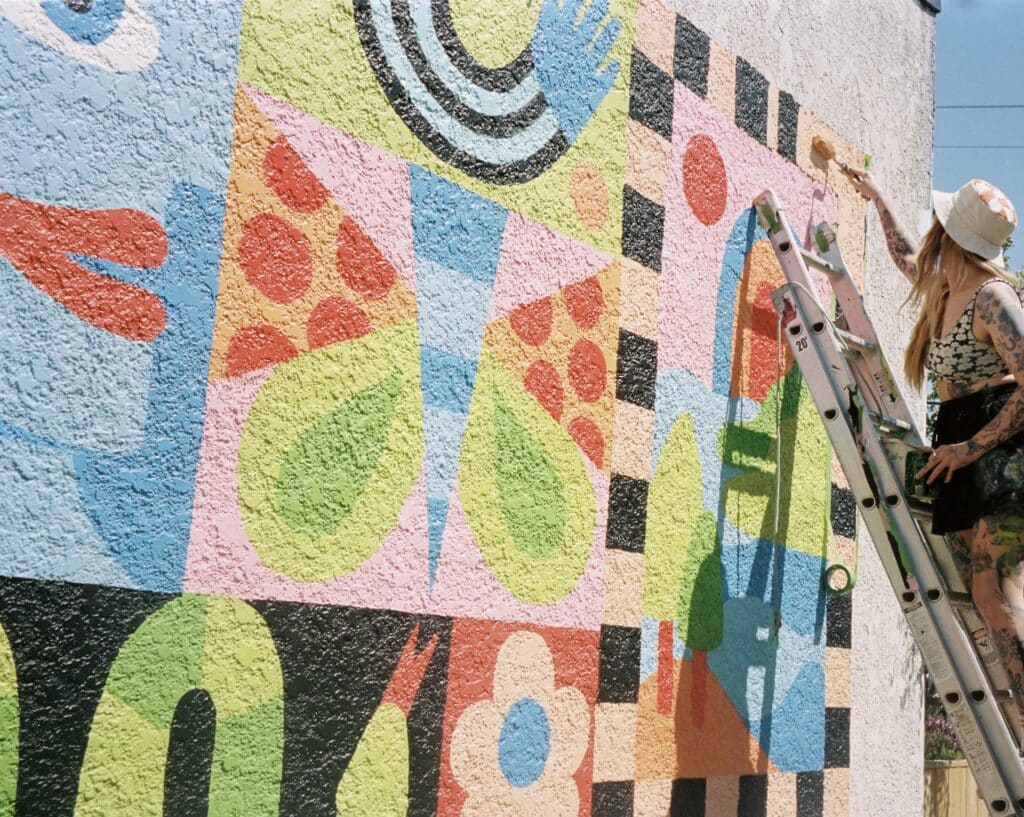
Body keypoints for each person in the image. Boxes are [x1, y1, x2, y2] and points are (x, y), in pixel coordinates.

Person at [846, 171, 1024, 718]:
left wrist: (969, 448)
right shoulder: (946, 288)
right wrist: (879, 200)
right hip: (958, 440)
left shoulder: (994, 298)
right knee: (976, 594)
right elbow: (907, 258)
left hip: (1001, 449)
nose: (930, 235)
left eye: (938, 227)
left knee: (995, 593)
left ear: (950, 235)